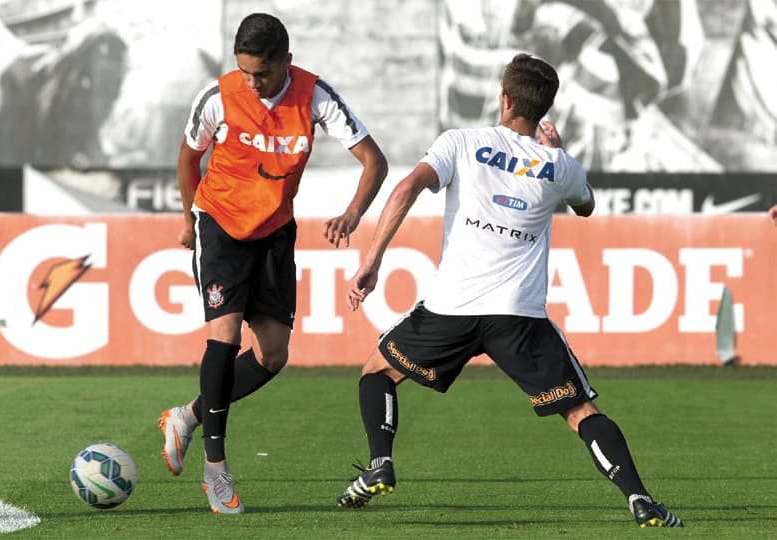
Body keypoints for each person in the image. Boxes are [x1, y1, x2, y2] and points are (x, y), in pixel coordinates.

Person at [335, 53, 683, 528]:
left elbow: (407, 189)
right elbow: (586, 206)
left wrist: (372, 260)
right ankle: (640, 499)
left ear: (504, 98)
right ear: (543, 110)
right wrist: (558, 152)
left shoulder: (460, 142)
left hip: (450, 309)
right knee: (581, 410)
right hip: (518, 317)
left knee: (377, 371)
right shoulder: (559, 166)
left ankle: (381, 463)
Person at [158, 12, 387, 514]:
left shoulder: (315, 96)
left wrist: (352, 213)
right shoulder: (218, 97)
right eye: (244, 72)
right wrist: (186, 217)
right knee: (224, 337)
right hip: (218, 224)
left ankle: (188, 416)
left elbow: (375, 160)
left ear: (286, 60)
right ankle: (215, 470)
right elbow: (187, 157)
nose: (252, 82)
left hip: (275, 232)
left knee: (273, 356)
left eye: (261, 73)